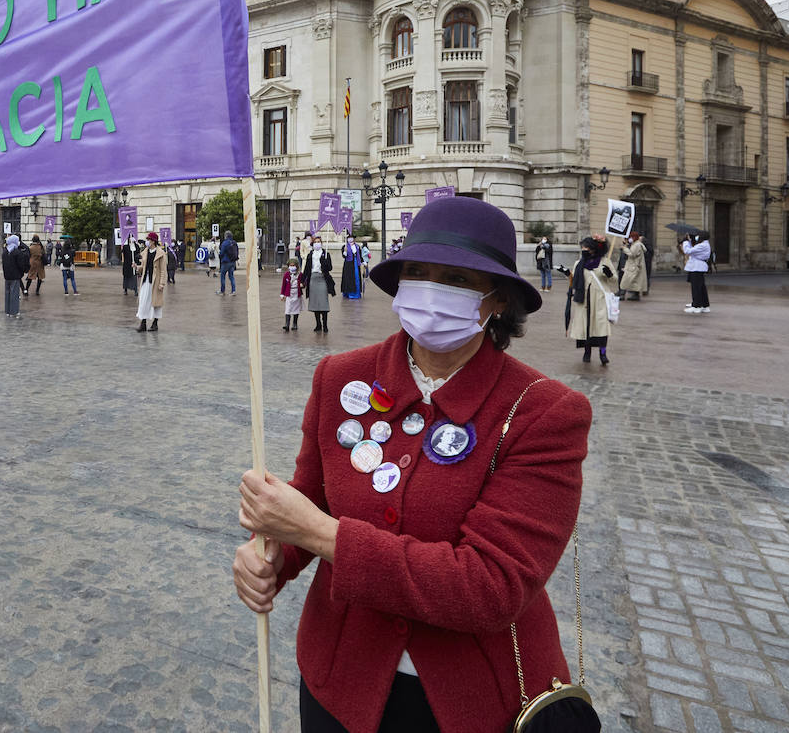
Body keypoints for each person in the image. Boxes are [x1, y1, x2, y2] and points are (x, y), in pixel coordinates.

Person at [232, 196, 591, 733]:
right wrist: (270, 558)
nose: (430, 289)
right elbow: (311, 499)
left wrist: (316, 532)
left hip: (472, 703)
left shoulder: (544, 412)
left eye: (456, 277)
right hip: (341, 680)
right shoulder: (339, 377)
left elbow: (489, 587)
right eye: (418, 272)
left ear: (498, 301)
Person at [566, 234, 618, 364]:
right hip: (584, 300)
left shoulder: (604, 261)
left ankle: (603, 353)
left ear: (593, 248)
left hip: (599, 299)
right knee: (586, 327)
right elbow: (575, 279)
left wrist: (609, 274)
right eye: (582, 247)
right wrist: (567, 274)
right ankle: (587, 352)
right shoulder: (579, 263)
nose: (584, 250)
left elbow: (615, 280)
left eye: (586, 247)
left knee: (601, 327)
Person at [134, 231, 167, 332]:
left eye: (148, 240)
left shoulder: (161, 254)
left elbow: (163, 270)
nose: (147, 241)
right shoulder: (145, 252)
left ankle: (155, 323)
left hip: (155, 282)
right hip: (145, 281)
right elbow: (143, 267)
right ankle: (143, 323)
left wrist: (162, 283)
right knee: (143, 302)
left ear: (153, 241)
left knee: (155, 303)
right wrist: (137, 267)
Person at [302, 235, 334, 333]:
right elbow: (307, 269)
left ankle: (325, 325)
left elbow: (330, 268)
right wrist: (302, 281)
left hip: (322, 279)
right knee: (315, 303)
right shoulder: (310, 254)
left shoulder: (325, 254)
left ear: (321, 243)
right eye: (315, 242)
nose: (317, 243)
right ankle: (318, 324)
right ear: (313, 244)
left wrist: (324, 263)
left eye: (319, 242)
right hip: (313, 279)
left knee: (323, 303)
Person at [681, 232, 711, 313]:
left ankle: (697, 306)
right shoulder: (703, 244)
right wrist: (690, 242)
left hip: (697, 267)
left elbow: (687, 251)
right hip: (697, 266)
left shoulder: (702, 245)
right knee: (701, 287)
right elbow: (693, 250)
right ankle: (704, 304)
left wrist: (686, 241)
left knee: (696, 287)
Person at [2, 234, 30, 316]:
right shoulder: (17, 252)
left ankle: (7, 311)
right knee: (14, 294)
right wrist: (22, 272)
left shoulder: (5, 252)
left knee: (7, 294)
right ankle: (14, 311)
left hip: (7, 276)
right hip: (15, 276)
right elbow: (21, 265)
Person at [619, 231, 649, 301]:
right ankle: (635, 295)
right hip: (635, 266)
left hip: (633, 266)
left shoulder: (637, 245)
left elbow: (632, 254)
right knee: (635, 281)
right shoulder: (636, 244)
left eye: (630, 237)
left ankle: (622, 294)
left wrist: (624, 248)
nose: (629, 239)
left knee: (626, 280)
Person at [280, 257, 303, 332]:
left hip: (297, 293)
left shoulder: (300, 274)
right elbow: (283, 285)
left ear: (296, 266)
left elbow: (304, 282)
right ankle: (287, 324)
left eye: (293, 265)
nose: (292, 267)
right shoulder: (286, 274)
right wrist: (282, 294)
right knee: (288, 309)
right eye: (290, 265)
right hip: (289, 294)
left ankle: (295, 324)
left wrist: (303, 285)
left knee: (296, 309)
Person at [340, 235, 363, 299]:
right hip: (348, 265)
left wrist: (363, 261)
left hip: (356, 264)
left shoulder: (357, 246)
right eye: (349, 238)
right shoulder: (345, 246)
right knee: (349, 278)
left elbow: (360, 255)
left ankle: (356, 293)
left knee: (356, 278)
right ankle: (348, 293)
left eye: (351, 238)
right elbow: (344, 256)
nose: (350, 239)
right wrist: (345, 252)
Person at [217, 230, 239, 295]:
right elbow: (237, 251)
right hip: (233, 262)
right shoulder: (234, 242)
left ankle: (222, 291)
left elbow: (222, 253)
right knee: (231, 276)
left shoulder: (225, 243)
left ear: (226, 236)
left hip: (225, 262)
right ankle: (233, 291)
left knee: (222, 276)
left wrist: (220, 256)